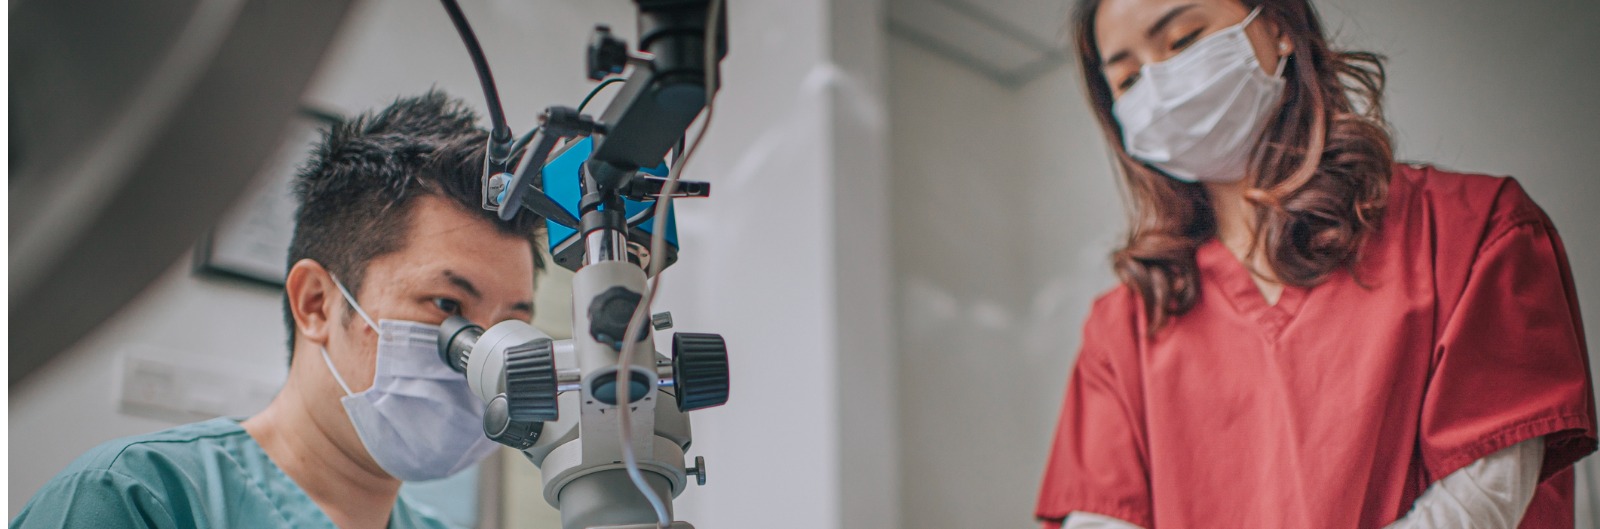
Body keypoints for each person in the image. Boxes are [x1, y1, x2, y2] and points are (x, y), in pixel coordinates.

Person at [1035, 1, 1595, 528]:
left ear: (1279, 25)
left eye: (1183, 40)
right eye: (1128, 80)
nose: (1159, 85)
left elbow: (1484, 497)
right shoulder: (1127, 325)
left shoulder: (1470, 231)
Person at [11, 91, 546, 529]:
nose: (485, 357)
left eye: (510, 325)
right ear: (316, 303)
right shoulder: (134, 501)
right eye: (447, 305)